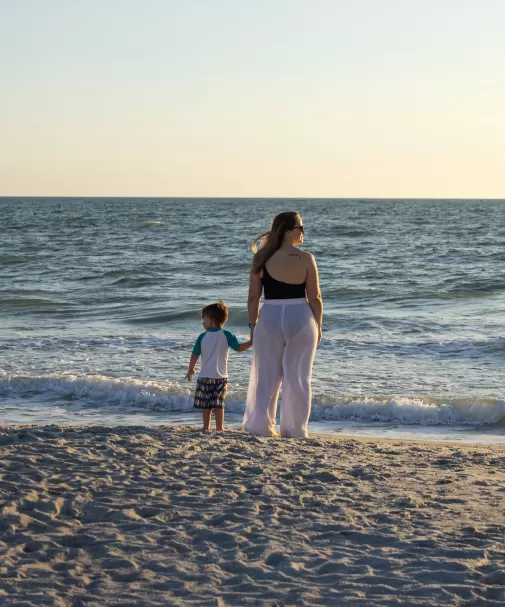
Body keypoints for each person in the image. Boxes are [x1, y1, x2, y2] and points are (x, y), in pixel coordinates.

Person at [243, 211, 322, 438]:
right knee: (298, 376)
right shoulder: (307, 258)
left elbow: (253, 297)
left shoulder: (261, 258)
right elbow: (315, 297)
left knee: (267, 375)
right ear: (288, 230)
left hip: (269, 315)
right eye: (300, 227)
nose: (303, 231)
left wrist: (253, 325)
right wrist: (319, 324)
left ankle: (261, 426)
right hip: (300, 316)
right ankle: (295, 429)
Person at [186, 301, 252, 432]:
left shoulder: (202, 337)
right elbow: (239, 348)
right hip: (221, 377)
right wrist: (251, 342)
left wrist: (191, 369)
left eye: (204, 319)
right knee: (219, 403)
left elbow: (194, 355)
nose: (203, 322)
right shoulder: (227, 335)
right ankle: (220, 427)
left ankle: (206, 426)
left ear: (211, 321)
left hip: (205, 376)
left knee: (206, 404)